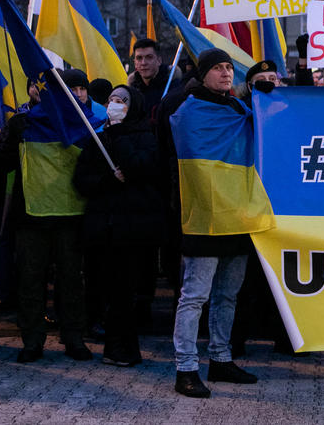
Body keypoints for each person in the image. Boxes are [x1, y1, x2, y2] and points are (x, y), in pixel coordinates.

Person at [165, 49, 257, 398]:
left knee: (227, 295)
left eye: (228, 68)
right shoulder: (187, 111)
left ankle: (220, 358)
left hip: (236, 213)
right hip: (202, 217)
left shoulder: (238, 109)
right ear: (201, 74)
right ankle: (185, 368)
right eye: (217, 68)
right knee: (194, 297)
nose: (225, 73)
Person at [0, 69, 103, 364]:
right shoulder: (21, 124)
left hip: (71, 215)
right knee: (30, 280)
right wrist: (9, 136)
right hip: (31, 217)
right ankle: (33, 340)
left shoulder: (86, 124)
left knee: (71, 281)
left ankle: (73, 338)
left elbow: (95, 167)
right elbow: (0, 162)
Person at [73, 85, 166, 366]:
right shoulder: (97, 139)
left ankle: (125, 346)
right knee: (109, 288)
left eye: (122, 100)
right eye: (112, 99)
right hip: (104, 227)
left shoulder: (147, 137)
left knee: (127, 290)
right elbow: (81, 181)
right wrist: (107, 180)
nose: (116, 104)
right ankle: (116, 347)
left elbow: (142, 168)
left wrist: (120, 136)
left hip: (135, 228)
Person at [128, 38, 180, 118]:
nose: (143, 63)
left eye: (149, 57)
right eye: (139, 58)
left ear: (159, 60)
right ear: (135, 63)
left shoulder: (174, 88)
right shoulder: (131, 91)